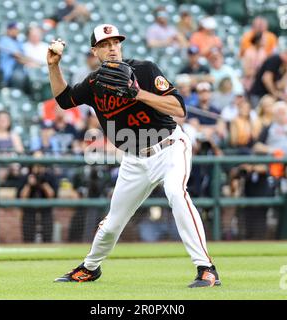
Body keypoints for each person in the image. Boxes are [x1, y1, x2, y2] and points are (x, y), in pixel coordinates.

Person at [48, 24, 220, 287]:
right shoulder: (94, 83)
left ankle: (206, 268)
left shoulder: (144, 69)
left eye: (116, 42)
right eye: (105, 44)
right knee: (113, 222)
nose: (112, 47)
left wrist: (138, 93)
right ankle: (90, 268)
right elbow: (64, 99)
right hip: (134, 158)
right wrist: (53, 66)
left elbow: (179, 108)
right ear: (95, 51)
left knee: (176, 192)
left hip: (169, 146)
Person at [17, 151, 58, 242]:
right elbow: (21, 198)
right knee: (28, 239)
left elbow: (53, 197)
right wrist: (29, 184)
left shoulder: (49, 176)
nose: (38, 166)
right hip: (29, 211)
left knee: (47, 239)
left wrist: (43, 183)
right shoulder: (26, 176)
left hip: (46, 210)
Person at [0, 22, 31, 92]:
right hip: (9, 73)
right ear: (8, 30)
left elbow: (24, 56)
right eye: (14, 29)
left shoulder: (19, 41)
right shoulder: (4, 40)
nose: (16, 31)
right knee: (18, 77)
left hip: (21, 69)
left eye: (17, 29)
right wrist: (32, 62)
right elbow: (18, 56)